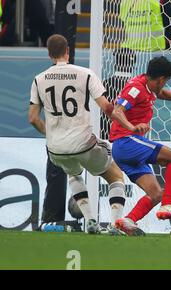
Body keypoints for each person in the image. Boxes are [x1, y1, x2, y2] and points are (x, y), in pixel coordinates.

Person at [28, 34, 126, 234]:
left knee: (73, 173)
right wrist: (128, 125)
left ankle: (90, 221)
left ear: (49, 55)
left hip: (56, 148)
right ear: (68, 51)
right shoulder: (86, 74)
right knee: (116, 175)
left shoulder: (39, 79)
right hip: (83, 142)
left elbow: (33, 118)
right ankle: (116, 224)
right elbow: (107, 107)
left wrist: (52, 133)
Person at [111, 56, 171, 236]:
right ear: (161, 79)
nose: (164, 86)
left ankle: (128, 220)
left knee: (155, 193)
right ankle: (168, 205)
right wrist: (132, 127)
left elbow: (161, 93)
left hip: (126, 149)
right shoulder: (135, 88)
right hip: (126, 142)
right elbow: (116, 111)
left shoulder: (148, 85)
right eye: (165, 81)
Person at [101, 48, 137, 140]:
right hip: (128, 135)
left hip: (105, 133)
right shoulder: (136, 86)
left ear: (115, 64)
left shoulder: (105, 83)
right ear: (133, 65)